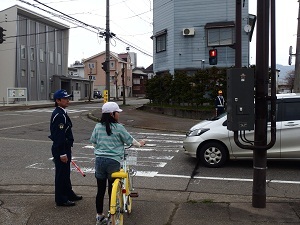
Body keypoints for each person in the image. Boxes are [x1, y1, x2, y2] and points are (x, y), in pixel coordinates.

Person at [90, 102, 145, 225]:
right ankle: (112, 213)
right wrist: (140, 143)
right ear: (111, 114)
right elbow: (130, 140)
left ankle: (99, 216)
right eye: (117, 113)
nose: (118, 115)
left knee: (100, 190)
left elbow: (93, 142)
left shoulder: (98, 126)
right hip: (113, 161)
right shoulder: (119, 127)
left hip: (99, 161)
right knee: (111, 188)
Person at [49, 89, 82, 207]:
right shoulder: (59, 115)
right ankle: (61, 198)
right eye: (65, 98)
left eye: (68, 98)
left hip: (65, 147)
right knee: (61, 174)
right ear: (58, 101)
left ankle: (68, 193)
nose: (68, 100)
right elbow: (59, 136)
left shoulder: (62, 112)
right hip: (61, 148)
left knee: (66, 172)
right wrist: (62, 153)